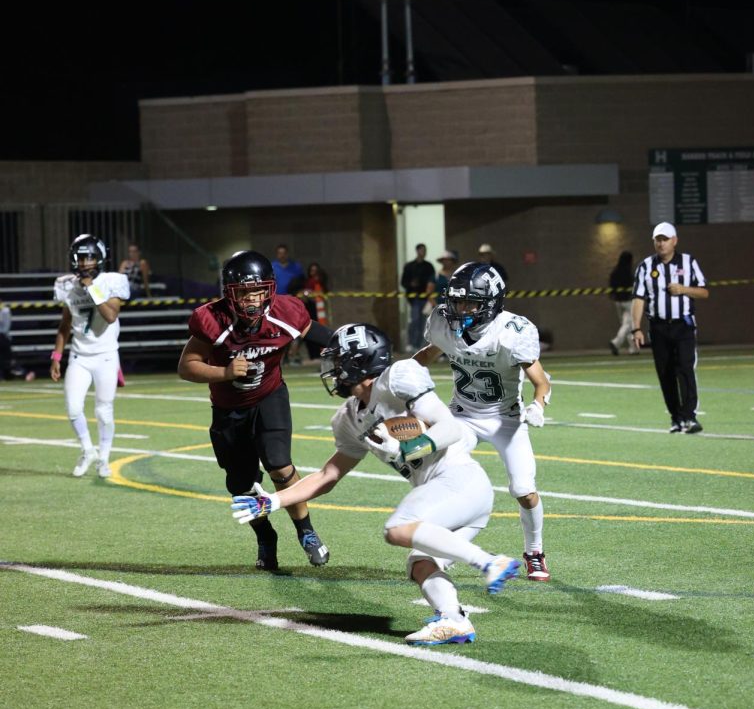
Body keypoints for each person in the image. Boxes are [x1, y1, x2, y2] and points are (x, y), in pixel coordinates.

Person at [230, 322, 522, 645]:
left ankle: (490, 561)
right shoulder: (349, 417)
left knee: (397, 528)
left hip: (458, 479)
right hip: (453, 494)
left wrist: (405, 448)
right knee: (421, 562)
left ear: (361, 361)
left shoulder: (397, 377)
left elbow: (449, 428)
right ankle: (453, 620)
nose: (332, 368)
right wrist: (274, 501)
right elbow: (328, 475)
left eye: (339, 360)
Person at [177, 250, 332, 570]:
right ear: (230, 294)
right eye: (244, 292)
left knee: (280, 465)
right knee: (240, 483)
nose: (252, 299)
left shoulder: (286, 312)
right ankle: (265, 536)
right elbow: (186, 366)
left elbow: (323, 337)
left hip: (269, 397)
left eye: (258, 291)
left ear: (270, 290)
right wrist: (224, 373)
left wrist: (358, 345)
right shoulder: (212, 319)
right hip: (228, 408)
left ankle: (307, 532)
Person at [415, 261, 552, 581]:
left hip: (506, 418)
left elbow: (541, 381)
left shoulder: (512, 333)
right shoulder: (443, 325)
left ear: (491, 303)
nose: (459, 309)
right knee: (445, 481)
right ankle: (444, 550)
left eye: (469, 302)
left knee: (524, 489)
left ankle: (535, 551)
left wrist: (538, 405)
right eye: (456, 301)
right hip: (462, 415)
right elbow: (425, 356)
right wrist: (401, 378)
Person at [50, 234, 130, 478]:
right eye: (80, 258)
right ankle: (88, 450)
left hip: (105, 355)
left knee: (103, 410)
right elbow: (65, 324)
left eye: (89, 257)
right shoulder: (66, 284)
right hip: (79, 356)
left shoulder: (113, 280)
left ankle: (104, 458)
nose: (84, 263)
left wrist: (91, 287)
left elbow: (110, 316)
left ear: (100, 258)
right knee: (74, 408)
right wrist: (56, 355)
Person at [631, 222, 709, 433]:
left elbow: (704, 292)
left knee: (685, 368)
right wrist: (636, 328)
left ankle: (690, 416)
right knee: (665, 373)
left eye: (665, 239)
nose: (661, 243)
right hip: (658, 328)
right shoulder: (646, 266)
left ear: (674, 241)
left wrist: (683, 289)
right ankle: (676, 417)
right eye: (658, 239)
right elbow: (638, 299)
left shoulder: (688, 262)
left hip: (683, 325)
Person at [400, 243, 436, 352]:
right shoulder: (409, 266)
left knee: (424, 323)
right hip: (414, 299)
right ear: (417, 251)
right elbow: (403, 282)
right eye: (421, 250)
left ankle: (420, 346)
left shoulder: (429, 266)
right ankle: (412, 344)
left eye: (424, 250)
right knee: (415, 321)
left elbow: (432, 281)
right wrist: (411, 285)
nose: (423, 252)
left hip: (426, 299)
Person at [297, 261, 330, 360]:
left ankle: (321, 355)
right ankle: (313, 356)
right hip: (310, 311)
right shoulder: (308, 282)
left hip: (321, 314)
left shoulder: (321, 283)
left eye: (316, 271)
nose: (314, 273)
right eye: (312, 271)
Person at [608, 250, 636, 355]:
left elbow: (611, 286)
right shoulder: (628, 272)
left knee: (626, 324)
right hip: (628, 301)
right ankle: (616, 342)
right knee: (629, 324)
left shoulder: (615, 272)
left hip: (618, 302)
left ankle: (633, 348)